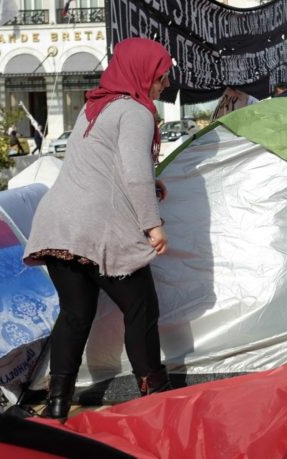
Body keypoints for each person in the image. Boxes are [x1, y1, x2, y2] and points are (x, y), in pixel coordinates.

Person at [23, 38, 174, 420]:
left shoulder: (94, 107)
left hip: (59, 225)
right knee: (141, 307)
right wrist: (152, 225)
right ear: (143, 72)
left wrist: (148, 183)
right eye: (160, 76)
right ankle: (153, 393)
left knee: (75, 313)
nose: (164, 84)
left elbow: (103, 166)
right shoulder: (136, 113)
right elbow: (135, 176)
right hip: (98, 228)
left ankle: (57, 404)